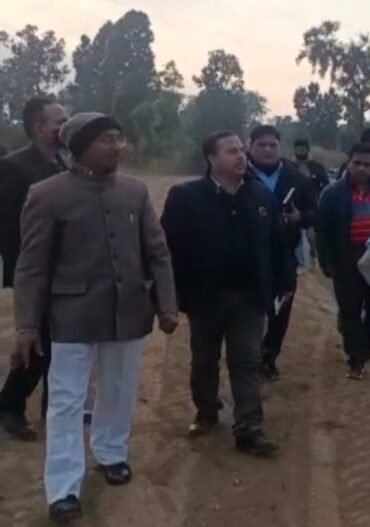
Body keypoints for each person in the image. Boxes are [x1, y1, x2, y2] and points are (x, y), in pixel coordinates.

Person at [14, 113, 178, 522]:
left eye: (120, 138)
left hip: (128, 311)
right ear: (80, 146)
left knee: (119, 389)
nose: (117, 146)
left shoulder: (134, 192)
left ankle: (111, 452)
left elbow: (157, 252)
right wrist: (27, 324)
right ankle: (63, 488)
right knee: (66, 401)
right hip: (72, 314)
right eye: (107, 139)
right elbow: (31, 265)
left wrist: (166, 304)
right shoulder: (47, 194)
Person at [161, 130, 293, 457]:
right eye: (231, 151)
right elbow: (167, 250)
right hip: (205, 298)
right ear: (211, 158)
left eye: (240, 151)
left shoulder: (260, 196)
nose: (241, 157)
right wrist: (170, 296)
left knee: (247, 360)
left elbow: (278, 243)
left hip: (250, 297)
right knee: (204, 360)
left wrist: (285, 281)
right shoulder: (185, 197)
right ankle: (206, 411)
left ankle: (249, 426)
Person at [0, 97, 69, 440]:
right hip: (35, 271)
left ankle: (52, 406)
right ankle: (10, 406)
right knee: (38, 340)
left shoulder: (63, 163)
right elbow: (8, 226)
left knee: (59, 339)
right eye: (60, 122)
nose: (66, 127)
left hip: (65, 269)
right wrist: (20, 272)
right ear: (39, 128)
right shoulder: (14, 167)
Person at [316, 143, 370, 380]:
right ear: (349, 163)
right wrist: (326, 262)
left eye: (367, 164)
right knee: (350, 311)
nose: (362, 168)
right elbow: (321, 230)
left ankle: (362, 341)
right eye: (357, 163)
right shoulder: (332, 194)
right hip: (346, 260)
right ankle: (357, 359)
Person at [247, 125, 316, 381]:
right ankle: (248, 359)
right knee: (250, 312)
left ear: (280, 147)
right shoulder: (238, 174)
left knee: (280, 311)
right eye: (261, 145)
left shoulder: (297, 178)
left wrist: (300, 218)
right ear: (250, 146)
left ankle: (269, 357)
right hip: (247, 257)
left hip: (284, 257)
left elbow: (315, 212)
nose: (267, 150)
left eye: (272, 145)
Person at [293, 138, 330, 270]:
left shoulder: (317, 167)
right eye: (298, 149)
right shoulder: (290, 166)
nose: (300, 151)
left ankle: (314, 254)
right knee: (295, 238)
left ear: (307, 149)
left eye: (302, 148)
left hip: (312, 207)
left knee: (312, 236)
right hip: (294, 206)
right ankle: (300, 266)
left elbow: (326, 185)